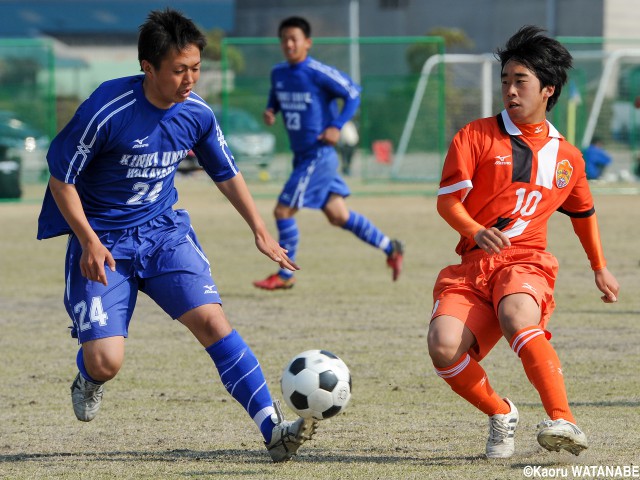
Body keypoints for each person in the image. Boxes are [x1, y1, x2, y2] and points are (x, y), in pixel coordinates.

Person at [36, 8, 317, 463]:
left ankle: (273, 429)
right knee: (106, 362)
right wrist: (88, 239)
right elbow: (60, 179)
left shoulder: (197, 114)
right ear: (148, 67)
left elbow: (225, 172)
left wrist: (260, 232)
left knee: (213, 321)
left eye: (196, 69)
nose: (190, 80)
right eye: (179, 70)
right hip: (104, 241)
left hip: (164, 233)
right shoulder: (106, 109)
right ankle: (88, 378)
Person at [427, 25, 619, 459]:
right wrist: (475, 230)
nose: (510, 90)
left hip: (525, 262)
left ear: (548, 89)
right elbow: (448, 205)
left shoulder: (567, 156)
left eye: (521, 81)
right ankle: (501, 412)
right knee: (442, 347)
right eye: (505, 81)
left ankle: (563, 418)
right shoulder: (474, 136)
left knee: (517, 313)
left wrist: (598, 266)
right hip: (474, 264)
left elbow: (583, 214)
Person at [252, 16, 404, 290]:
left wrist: (336, 125)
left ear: (307, 43)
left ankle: (286, 275)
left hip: (318, 155)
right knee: (338, 215)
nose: (288, 44)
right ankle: (390, 246)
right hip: (303, 156)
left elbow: (353, 93)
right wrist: (271, 109)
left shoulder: (317, 72)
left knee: (283, 211)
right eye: (284, 39)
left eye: (294, 39)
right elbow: (277, 94)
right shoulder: (279, 73)